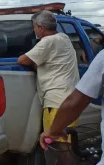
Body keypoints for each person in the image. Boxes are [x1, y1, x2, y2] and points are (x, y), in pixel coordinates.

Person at [18, 10, 80, 147]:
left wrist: (35, 64)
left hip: (55, 103)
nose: (34, 30)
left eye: (34, 27)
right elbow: (50, 60)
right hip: (69, 99)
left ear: (41, 28)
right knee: (67, 143)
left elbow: (22, 60)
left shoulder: (47, 42)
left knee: (58, 146)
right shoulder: (63, 37)